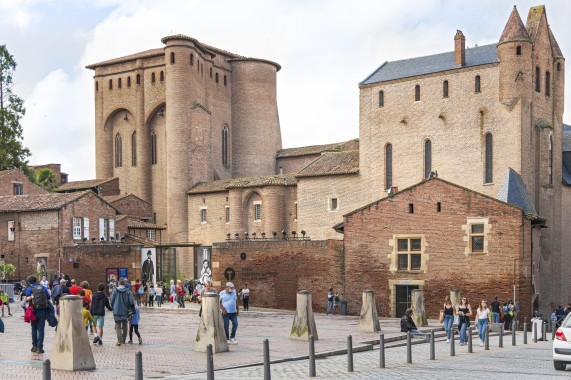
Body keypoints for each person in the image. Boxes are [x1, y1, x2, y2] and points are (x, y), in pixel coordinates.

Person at [25, 275, 51, 353]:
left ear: (29, 282)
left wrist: (30, 297)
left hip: (33, 311)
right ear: (36, 281)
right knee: (41, 330)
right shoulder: (43, 288)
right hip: (42, 311)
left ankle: (34, 346)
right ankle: (40, 347)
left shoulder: (29, 289)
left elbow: (27, 299)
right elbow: (48, 297)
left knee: (34, 329)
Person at [110, 279, 135, 346]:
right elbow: (132, 301)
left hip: (116, 310)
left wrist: (113, 305)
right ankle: (124, 339)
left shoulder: (115, 290)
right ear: (124, 285)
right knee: (125, 324)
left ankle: (119, 339)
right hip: (125, 310)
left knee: (118, 325)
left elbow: (111, 300)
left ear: (118, 284)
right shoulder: (127, 291)